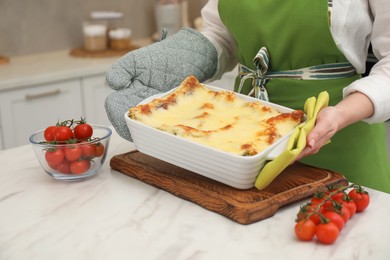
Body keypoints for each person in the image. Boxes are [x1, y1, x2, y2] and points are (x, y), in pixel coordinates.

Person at [104, 0, 390, 193]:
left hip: (339, 138)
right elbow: (222, 35)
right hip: (236, 143)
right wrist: (177, 59)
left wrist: (340, 115)